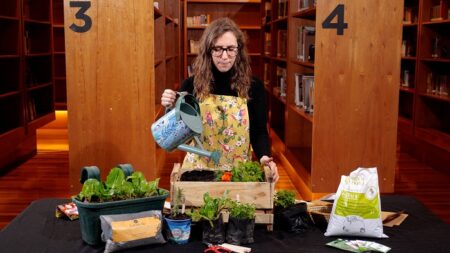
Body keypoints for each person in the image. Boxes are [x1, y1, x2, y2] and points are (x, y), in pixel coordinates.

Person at [161, 18, 279, 183]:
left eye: (230, 49)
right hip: (197, 174)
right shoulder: (191, 85)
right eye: (218, 49)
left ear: (239, 50)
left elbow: (259, 132)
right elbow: (176, 136)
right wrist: (170, 107)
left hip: (238, 175)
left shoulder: (254, 87)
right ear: (208, 50)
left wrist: (264, 157)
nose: (224, 56)